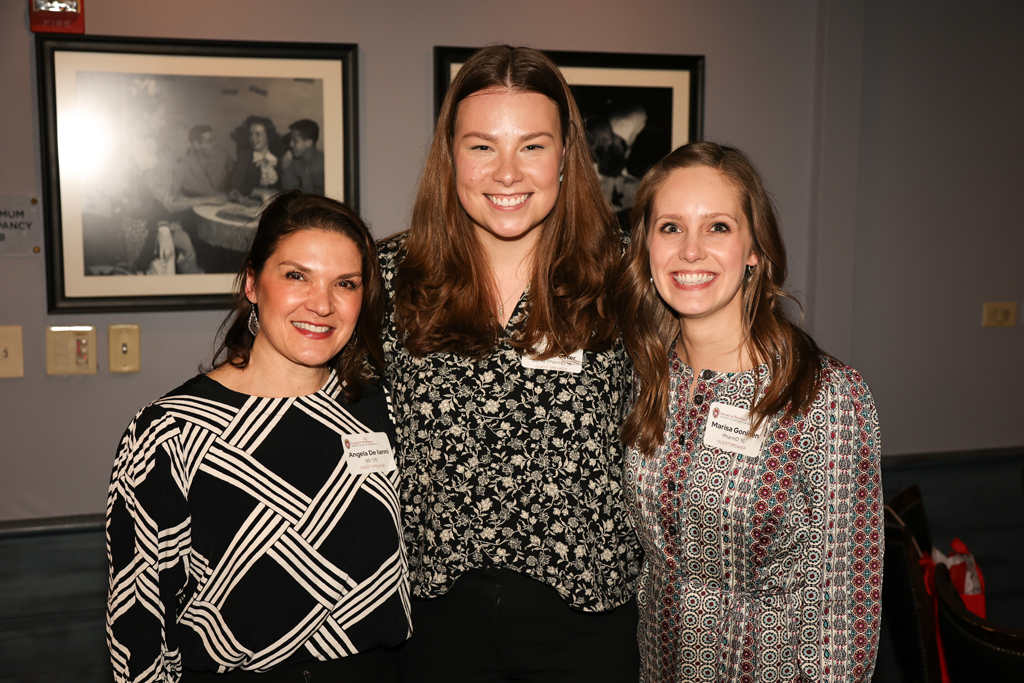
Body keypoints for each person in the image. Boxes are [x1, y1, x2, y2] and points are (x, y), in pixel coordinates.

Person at [378, 45, 642, 682]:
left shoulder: (626, 277)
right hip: (435, 624)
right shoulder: (392, 279)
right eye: (481, 146)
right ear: (450, 155)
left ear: (565, 154)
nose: (506, 173)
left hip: (586, 627)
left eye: (531, 145)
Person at [106, 191, 411, 682]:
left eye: (345, 284)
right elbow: (138, 620)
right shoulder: (173, 431)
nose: (322, 304)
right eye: (297, 276)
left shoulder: (382, 410)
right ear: (252, 283)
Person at [615, 142, 882, 682]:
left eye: (717, 227)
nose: (691, 251)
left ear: (754, 250)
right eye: (670, 227)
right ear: (646, 247)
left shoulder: (823, 396)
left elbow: (845, 616)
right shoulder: (645, 378)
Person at [229, 116, 283, 200]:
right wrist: (260, 193)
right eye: (251, 134)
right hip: (251, 203)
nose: (253, 138)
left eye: (258, 134)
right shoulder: (245, 156)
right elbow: (236, 185)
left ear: (268, 135)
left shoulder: (278, 157)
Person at [176, 124, 233, 200]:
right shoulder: (186, 163)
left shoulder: (222, 154)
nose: (214, 144)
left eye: (214, 139)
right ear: (197, 145)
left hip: (225, 203)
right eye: (209, 141)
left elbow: (236, 176)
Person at [281, 119, 325, 195]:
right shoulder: (293, 162)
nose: (291, 145)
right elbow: (288, 193)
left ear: (309, 143)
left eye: (295, 141)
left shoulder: (324, 163)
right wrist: (286, 168)